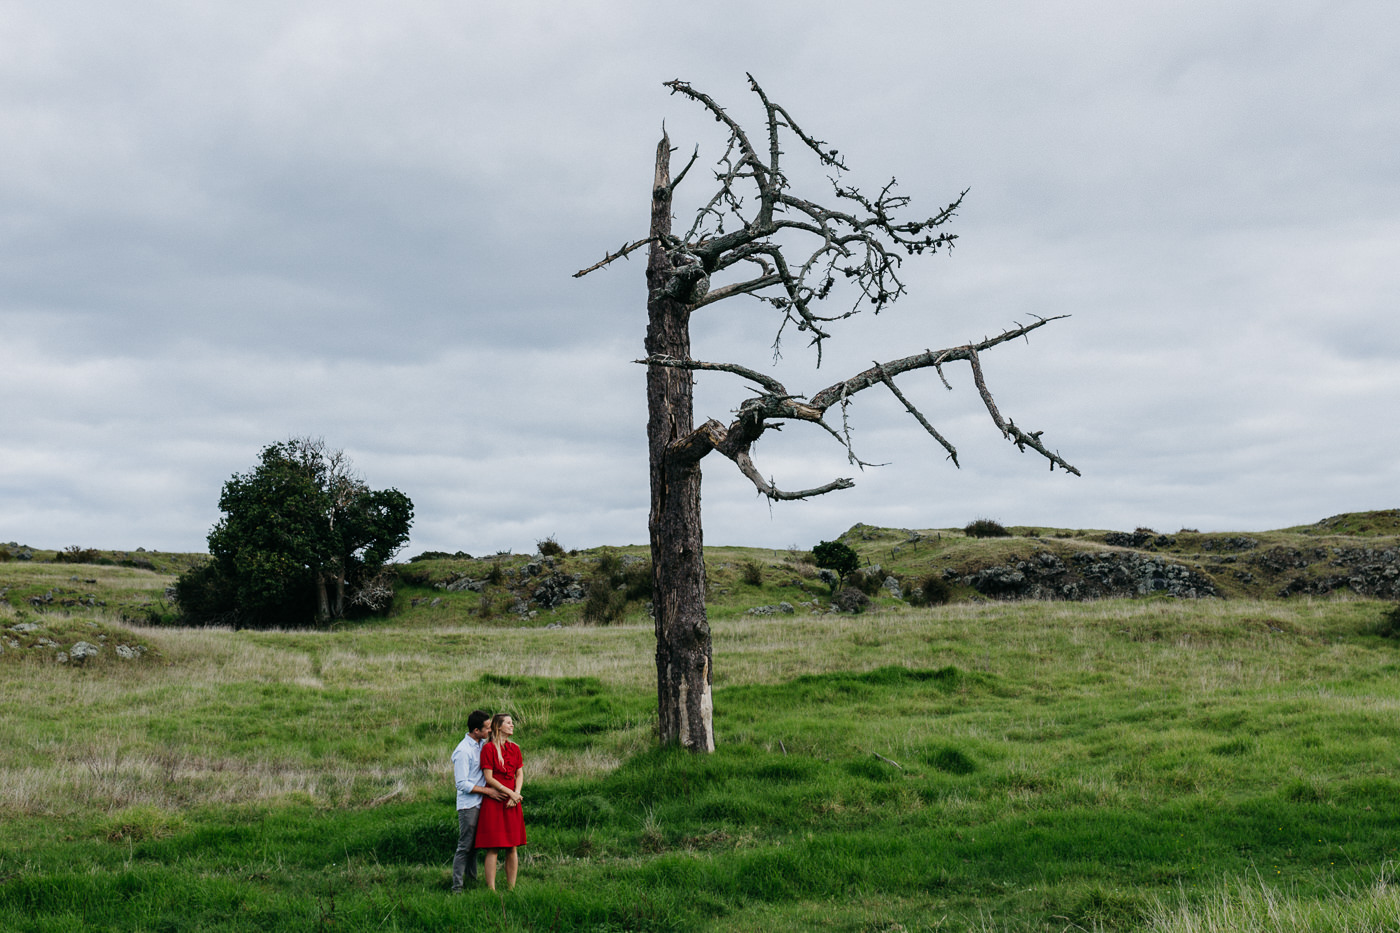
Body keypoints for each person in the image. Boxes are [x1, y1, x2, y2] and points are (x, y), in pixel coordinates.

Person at [450, 709, 505, 892]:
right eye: (487, 728)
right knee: (465, 846)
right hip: (469, 805)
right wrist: (488, 791)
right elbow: (461, 784)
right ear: (476, 730)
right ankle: (457, 887)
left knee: (475, 846)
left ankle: (471, 880)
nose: (490, 730)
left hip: (482, 802)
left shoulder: (482, 744)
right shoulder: (463, 751)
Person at [474, 713, 526, 890]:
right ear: (498, 727)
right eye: (509, 723)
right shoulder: (488, 749)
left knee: (512, 847)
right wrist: (509, 792)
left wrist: (516, 794)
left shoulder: (515, 748)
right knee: (493, 847)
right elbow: (488, 778)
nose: (512, 725)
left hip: (512, 801)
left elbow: (519, 773)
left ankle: (511, 888)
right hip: (495, 801)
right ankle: (491, 890)